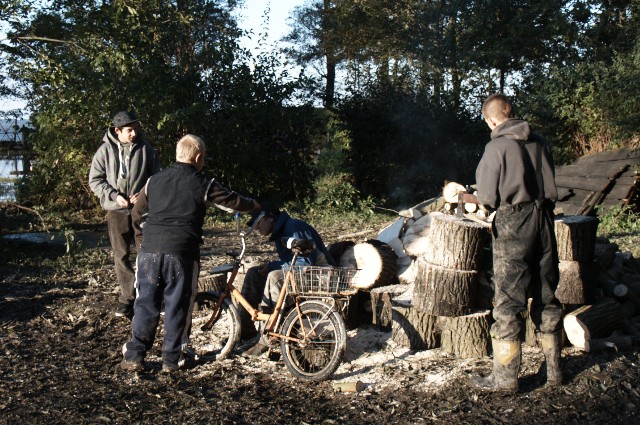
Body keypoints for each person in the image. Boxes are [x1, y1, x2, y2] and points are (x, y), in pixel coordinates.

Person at [120, 134, 259, 373]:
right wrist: (256, 205)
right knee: (178, 305)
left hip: (149, 253)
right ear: (197, 157)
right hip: (181, 253)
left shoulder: (153, 181)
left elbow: (136, 214)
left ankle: (134, 356)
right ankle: (172, 360)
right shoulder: (203, 182)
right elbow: (232, 201)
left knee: (145, 304)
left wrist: (143, 242)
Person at [471, 94, 563, 392]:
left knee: (508, 301)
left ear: (492, 119)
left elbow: (486, 198)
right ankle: (555, 373)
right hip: (545, 220)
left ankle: (505, 379)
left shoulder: (496, 146)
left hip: (514, 222)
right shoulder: (540, 142)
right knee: (547, 294)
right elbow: (550, 186)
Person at [89, 111, 160, 318]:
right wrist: (112, 195)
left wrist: (145, 194)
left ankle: (148, 297)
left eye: (136, 129)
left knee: (147, 254)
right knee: (121, 256)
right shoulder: (104, 151)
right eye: (129, 130)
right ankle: (127, 299)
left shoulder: (146, 149)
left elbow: (157, 177)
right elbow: (95, 180)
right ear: (117, 130)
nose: (134, 134)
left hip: (142, 211)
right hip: (116, 211)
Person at [239, 202, 334, 356]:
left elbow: (304, 262)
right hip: (304, 271)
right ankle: (244, 331)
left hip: (320, 273)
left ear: (270, 218)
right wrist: (270, 265)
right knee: (254, 273)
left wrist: (272, 266)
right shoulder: (281, 231)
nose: (257, 228)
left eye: (258, 222)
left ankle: (268, 337)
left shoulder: (294, 227)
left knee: (274, 277)